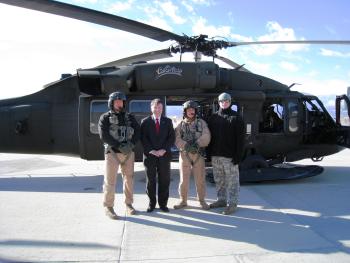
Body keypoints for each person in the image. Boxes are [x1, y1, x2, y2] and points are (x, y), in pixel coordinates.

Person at [98, 91, 140, 220]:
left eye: (121, 101)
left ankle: (129, 204)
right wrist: (118, 145)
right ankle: (108, 206)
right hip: (112, 153)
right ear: (111, 103)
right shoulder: (105, 118)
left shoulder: (130, 117)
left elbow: (137, 131)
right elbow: (103, 135)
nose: (119, 103)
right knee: (110, 181)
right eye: (116, 101)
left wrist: (131, 145)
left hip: (128, 153)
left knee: (129, 179)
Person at [207, 92, 245, 215]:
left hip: (230, 157)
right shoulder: (213, 118)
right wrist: (209, 154)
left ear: (230, 102)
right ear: (218, 103)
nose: (224, 103)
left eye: (227, 101)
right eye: (222, 101)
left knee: (232, 181)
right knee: (219, 180)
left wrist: (238, 156)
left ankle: (232, 204)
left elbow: (241, 140)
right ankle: (221, 200)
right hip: (216, 155)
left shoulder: (236, 118)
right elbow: (209, 138)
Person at [173, 100, 211, 210]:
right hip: (185, 155)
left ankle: (201, 200)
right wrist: (186, 146)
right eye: (189, 110)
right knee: (183, 180)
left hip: (198, 155)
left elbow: (207, 136)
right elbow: (176, 138)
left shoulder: (202, 123)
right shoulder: (180, 124)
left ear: (196, 111)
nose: (191, 111)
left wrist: (197, 144)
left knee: (200, 179)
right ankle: (183, 200)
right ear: (185, 111)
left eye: (193, 109)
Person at [140, 98, 175, 213]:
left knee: (164, 180)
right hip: (150, 156)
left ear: (162, 109)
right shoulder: (145, 122)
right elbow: (143, 138)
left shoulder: (168, 121)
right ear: (151, 108)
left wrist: (164, 149)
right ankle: (152, 203)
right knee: (150, 181)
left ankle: (163, 204)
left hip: (164, 156)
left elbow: (171, 138)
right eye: (155, 107)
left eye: (159, 107)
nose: (157, 110)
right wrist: (152, 150)